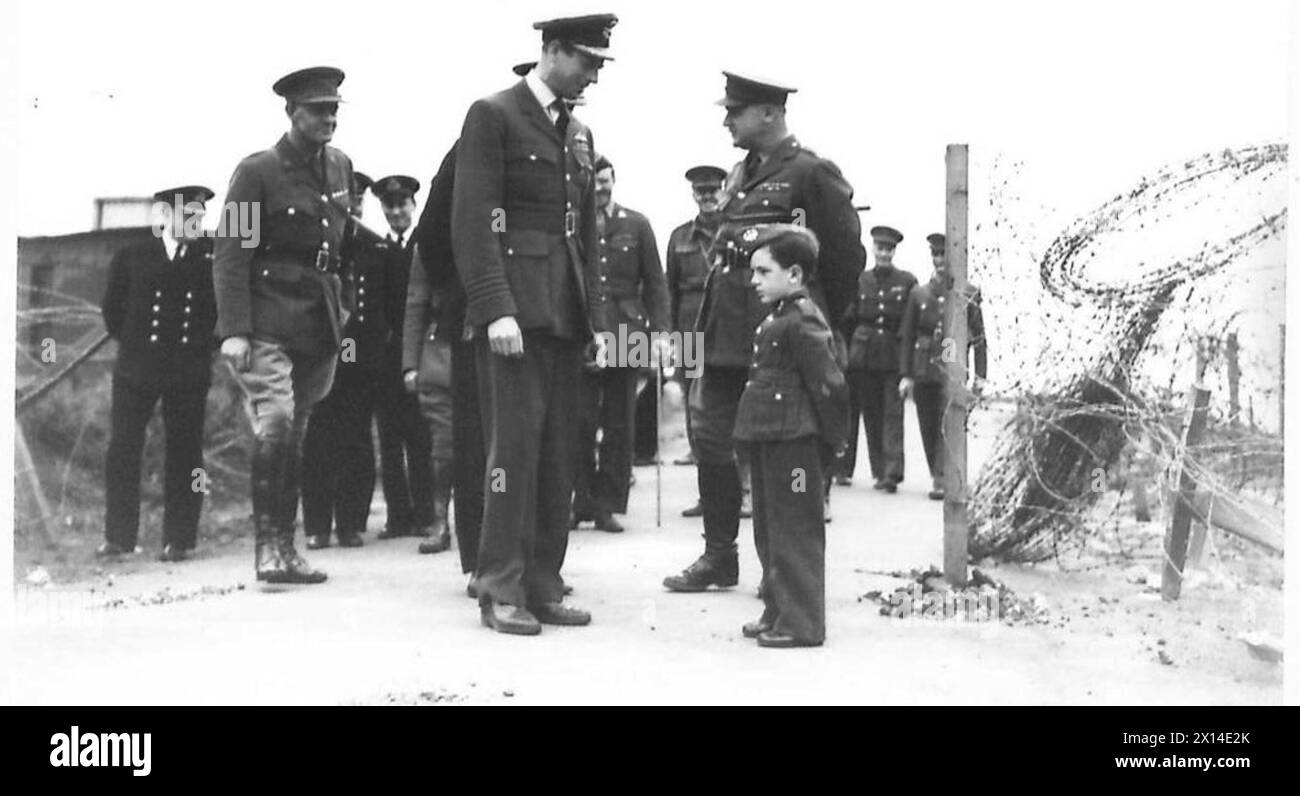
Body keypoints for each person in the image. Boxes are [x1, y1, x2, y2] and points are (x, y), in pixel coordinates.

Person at [663, 71, 865, 593]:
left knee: (778, 456)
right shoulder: (738, 174)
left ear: (770, 114)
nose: (727, 119)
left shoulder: (811, 173)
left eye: (736, 111)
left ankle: (783, 575)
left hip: (777, 343)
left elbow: (844, 259)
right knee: (710, 443)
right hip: (724, 339)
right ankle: (719, 555)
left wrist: (815, 322)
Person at [451, 14, 617, 634]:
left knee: (557, 456)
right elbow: (473, 220)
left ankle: (543, 581)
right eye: (588, 62)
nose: (594, 76)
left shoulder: (579, 135)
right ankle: (500, 585)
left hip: (564, 316)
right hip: (514, 318)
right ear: (551, 51)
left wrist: (596, 320)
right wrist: (495, 308)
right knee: (511, 455)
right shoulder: (492, 115)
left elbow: (587, 235)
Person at [213, 66, 355, 584]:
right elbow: (230, 255)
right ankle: (266, 549)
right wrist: (234, 329)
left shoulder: (340, 168)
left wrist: (346, 304)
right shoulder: (258, 172)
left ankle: (289, 550)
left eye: (334, 109)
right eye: (318, 109)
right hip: (268, 319)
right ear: (291, 112)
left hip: (318, 325)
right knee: (274, 424)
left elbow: (345, 248)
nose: (329, 118)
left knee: (297, 435)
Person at [735, 224, 848, 647]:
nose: (755, 280)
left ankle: (803, 624)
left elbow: (830, 385)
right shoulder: (779, 316)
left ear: (795, 275)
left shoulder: (803, 320)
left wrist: (832, 443)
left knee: (795, 530)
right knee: (769, 527)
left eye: (764, 272)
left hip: (797, 444)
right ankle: (778, 609)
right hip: (772, 438)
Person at [99, 185, 218, 562]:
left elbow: (216, 314)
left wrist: (200, 349)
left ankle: (180, 539)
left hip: (187, 370)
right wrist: (136, 346)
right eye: (188, 216)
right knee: (123, 449)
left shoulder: (208, 261)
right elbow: (112, 312)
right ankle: (119, 537)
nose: (195, 223)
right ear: (165, 216)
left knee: (187, 453)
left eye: (200, 217)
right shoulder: (133, 255)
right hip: (136, 368)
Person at [572, 154, 669, 534]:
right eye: (594, 182)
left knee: (619, 423)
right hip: (584, 331)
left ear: (615, 181)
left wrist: (662, 334)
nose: (601, 188)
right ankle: (579, 500)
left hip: (628, 331)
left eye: (606, 181)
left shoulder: (637, 224)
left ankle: (608, 505)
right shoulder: (574, 225)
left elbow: (656, 283)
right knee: (578, 422)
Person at [299, 171, 389, 550]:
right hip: (321, 351)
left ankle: (351, 522)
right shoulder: (317, 240)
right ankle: (317, 525)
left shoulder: (374, 246)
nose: (353, 203)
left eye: (359, 197)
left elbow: (384, 307)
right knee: (319, 438)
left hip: (360, 357)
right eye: (347, 196)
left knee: (356, 439)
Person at [898, 232, 987, 500]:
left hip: (955, 370)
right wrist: (906, 375)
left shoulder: (969, 293)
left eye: (944, 255)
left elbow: (980, 337)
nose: (939, 261)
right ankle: (938, 475)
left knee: (951, 423)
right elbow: (907, 336)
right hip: (924, 368)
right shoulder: (919, 294)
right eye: (935, 255)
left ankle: (943, 478)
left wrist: (981, 376)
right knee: (928, 425)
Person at [373, 175, 438, 541]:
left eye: (402, 205)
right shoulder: (377, 249)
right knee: (389, 437)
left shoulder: (424, 245)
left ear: (414, 206)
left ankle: (427, 514)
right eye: (389, 206)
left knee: (421, 437)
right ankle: (398, 515)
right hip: (385, 358)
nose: (396, 212)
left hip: (420, 354)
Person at [666, 165, 726, 509]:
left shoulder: (735, 231)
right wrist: (672, 338)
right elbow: (670, 290)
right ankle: (708, 494)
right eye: (701, 192)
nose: (708, 197)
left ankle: (741, 490)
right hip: (689, 328)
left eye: (713, 191)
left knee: (726, 408)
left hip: (725, 329)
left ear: (722, 192)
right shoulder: (679, 237)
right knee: (695, 411)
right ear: (694, 196)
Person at [843, 225, 917, 494]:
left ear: (894, 251)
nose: (884, 253)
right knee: (870, 413)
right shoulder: (860, 280)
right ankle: (878, 471)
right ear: (873, 248)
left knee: (892, 414)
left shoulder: (906, 281)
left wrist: (908, 363)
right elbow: (849, 319)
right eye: (880, 248)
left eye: (889, 249)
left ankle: (892, 473)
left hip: (892, 354)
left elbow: (910, 323)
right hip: (862, 355)